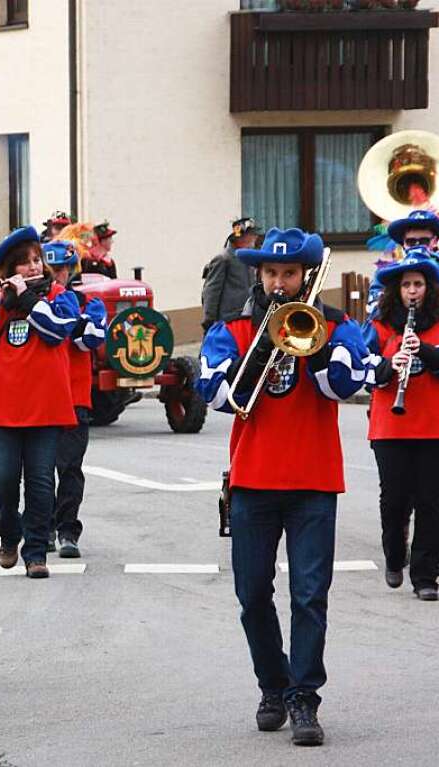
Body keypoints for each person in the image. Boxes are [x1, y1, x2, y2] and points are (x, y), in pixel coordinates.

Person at [197, 227, 369, 747]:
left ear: (306, 276)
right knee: (251, 595)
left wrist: (311, 346)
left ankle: (303, 698)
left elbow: (349, 383)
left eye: (288, 273)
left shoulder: (336, 326)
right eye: (270, 273)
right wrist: (264, 347)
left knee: (310, 595)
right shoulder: (233, 328)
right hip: (253, 479)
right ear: (260, 275)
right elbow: (215, 394)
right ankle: (273, 686)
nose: (278, 282)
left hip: (314, 480)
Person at [0, 226, 79, 578]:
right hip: (3, 408)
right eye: (25, 263)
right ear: (8, 269)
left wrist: (28, 299)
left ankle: (36, 551)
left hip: (46, 407)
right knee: (3, 480)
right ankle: (9, 535)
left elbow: (57, 331)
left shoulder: (59, 296)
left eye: (36, 260)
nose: (34, 267)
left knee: (41, 482)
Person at [362, 248, 439, 601]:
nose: (412, 291)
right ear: (397, 289)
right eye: (406, 284)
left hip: (433, 426)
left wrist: (423, 350)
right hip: (390, 427)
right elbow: (364, 372)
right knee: (394, 501)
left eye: (418, 284)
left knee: (431, 501)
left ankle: (425, 576)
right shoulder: (379, 325)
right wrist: (391, 363)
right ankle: (395, 554)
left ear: (428, 287)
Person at [43, 241, 107, 557]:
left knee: (69, 468)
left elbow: (89, 339)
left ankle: (68, 530)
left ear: (71, 271)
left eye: (62, 270)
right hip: (39, 401)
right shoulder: (32, 303)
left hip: (73, 398)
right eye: (51, 271)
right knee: (39, 472)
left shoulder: (87, 303)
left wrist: (66, 312)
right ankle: (43, 527)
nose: (57, 276)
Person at [201, 217, 261, 332]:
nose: (255, 237)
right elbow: (211, 292)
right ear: (240, 237)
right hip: (227, 322)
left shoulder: (248, 258)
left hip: (245, 318)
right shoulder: (223, 259)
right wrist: (209, 322)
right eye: (252, 234)